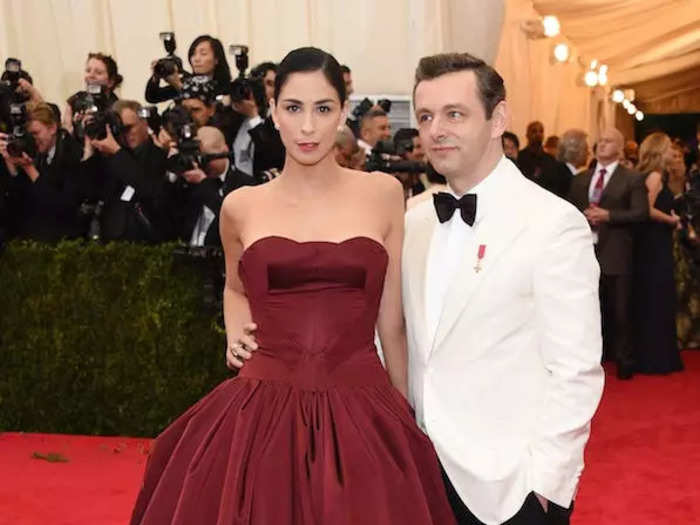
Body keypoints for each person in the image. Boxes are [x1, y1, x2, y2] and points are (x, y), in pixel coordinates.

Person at [130, 47, 455, 525]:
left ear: (342, 111)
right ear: (273, 113)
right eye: (293, 108)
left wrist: (405, 414)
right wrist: (236, 332)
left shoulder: (383, 194)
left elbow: (392, 320)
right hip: (262, 411)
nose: (307, 127)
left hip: (361, 402)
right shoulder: (241, 206)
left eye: (323, 109)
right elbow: (237, 288)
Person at [403, 52, 603, 524]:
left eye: (455, 114)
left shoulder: (553, 223)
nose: (436, 131)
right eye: (426, 117)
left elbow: (575, 369)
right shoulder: (412, 220)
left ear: (498, 119)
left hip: (510, 489)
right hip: (419, 479)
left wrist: (546, 484)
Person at [568, 127, 649, 379]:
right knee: (588, 310)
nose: (601, 145)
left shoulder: (631, 178)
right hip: (585, 251)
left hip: (616, 252)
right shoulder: (582, 178)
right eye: (599, 141)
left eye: (607, 141)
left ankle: (625, 360)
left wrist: (608, 216)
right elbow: (568, 210)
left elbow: (641, 213)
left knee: (620, 310)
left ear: (620, 147)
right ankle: (592, 359)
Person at [632, 132, 684, 374]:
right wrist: (671, 221)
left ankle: (651, 355)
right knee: (658, 296)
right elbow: (647, 209)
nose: (671, 154)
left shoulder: (641, 173)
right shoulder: (653, 176)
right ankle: (656, 358)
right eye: (668, 150)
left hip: (649, 242)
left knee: (652, 295)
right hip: (654, 242)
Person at [0, 102, 84, 241]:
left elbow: (59, 205)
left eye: (36, 133)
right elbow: (21, 199)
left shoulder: (72, 153)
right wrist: (11, 164)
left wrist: (29, 168)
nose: (33, 140)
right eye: (29, 135)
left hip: (63, 241)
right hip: (33, 237)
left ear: (52, 128)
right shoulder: (35, 152)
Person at [145, 35, 232, 104]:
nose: (196, 59)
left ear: (216, 59)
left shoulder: (225, 87)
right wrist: (155, 77)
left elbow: (202, 104)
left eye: (203, 54)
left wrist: (178, 85)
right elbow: (152, 97)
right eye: (193, 54)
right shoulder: (187, 81)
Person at [64, 53, 123, 135]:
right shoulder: (76, 101)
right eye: (88, 71)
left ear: (111, 81)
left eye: (98, 73)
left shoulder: (117, 109)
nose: (91, 75)